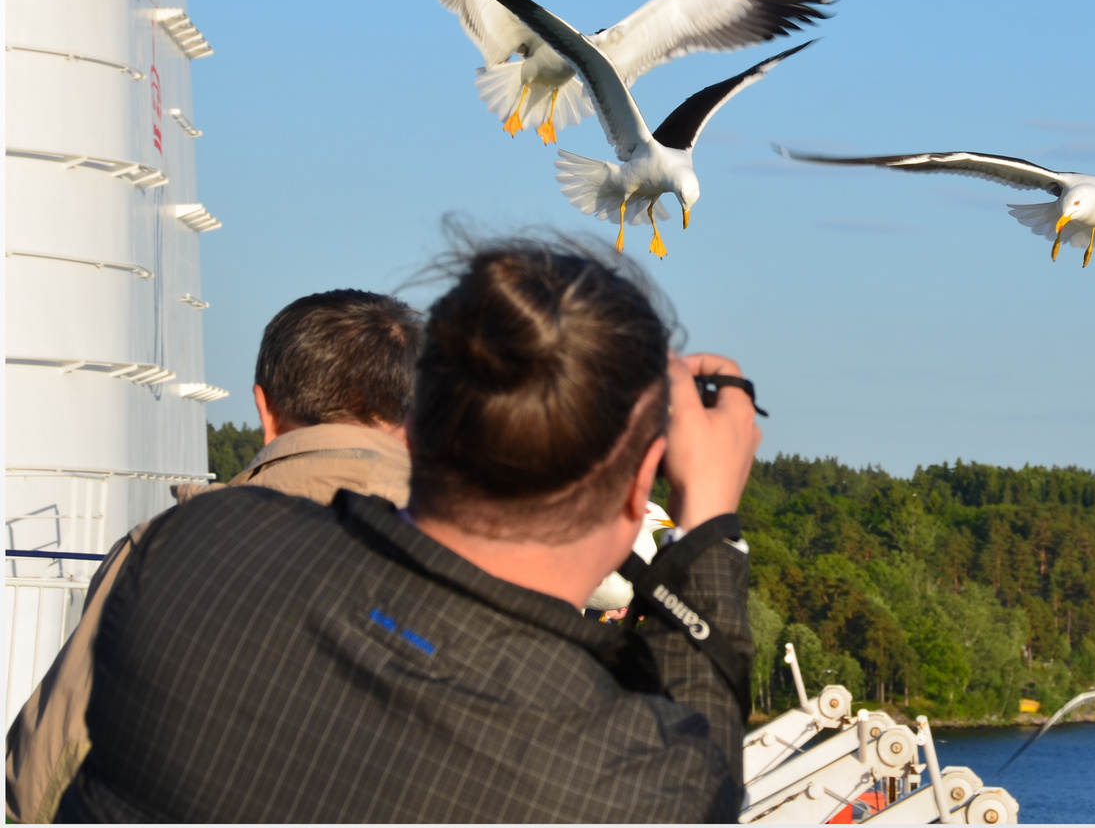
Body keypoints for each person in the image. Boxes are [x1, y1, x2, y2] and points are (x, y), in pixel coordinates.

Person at [56, 237, 761, 823]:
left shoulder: (194, 546)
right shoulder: (620, 784)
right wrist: (707, 524)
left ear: (416, 424)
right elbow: (698, 779)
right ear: (643, 481)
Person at [4, 290, 423, 824]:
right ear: (413, 418)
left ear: (265, 410)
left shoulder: (158, 552)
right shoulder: (498, 555)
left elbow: (44, 785)